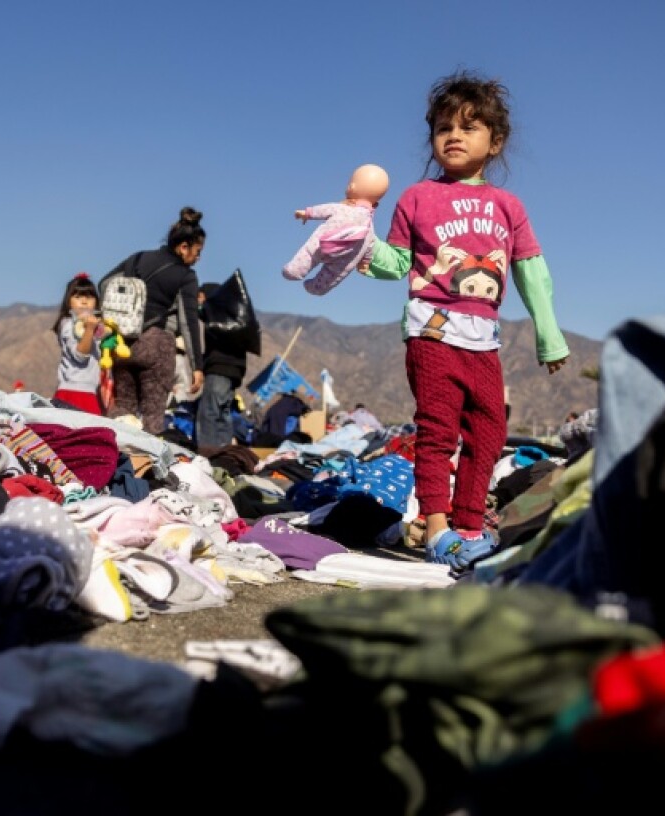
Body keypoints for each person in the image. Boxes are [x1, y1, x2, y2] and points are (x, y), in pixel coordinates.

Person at [360, 69, 569, 571]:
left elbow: (530, 271)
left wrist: (549, 334)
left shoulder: (507, 206)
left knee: (490, 430)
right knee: (438, 429)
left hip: (484, 338)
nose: (454, 135)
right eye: (443, 127)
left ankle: (469, 525)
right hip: (430, 330)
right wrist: (360, 248)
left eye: (469, 126)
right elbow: (397, 263)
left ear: (494, 142)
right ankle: (436, 529)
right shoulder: (416, 198)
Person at [103, 207, 205, 434]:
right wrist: (197, 365)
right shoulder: (186, 276)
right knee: (152, 415)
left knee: (122, 409)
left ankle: (117, 460)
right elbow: (188, 322)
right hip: (157, 344)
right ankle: (148, 466)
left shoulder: (138, 258)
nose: (198, 258)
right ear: (183, 247)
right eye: (197, 252)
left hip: (123, 344)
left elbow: (105, 284)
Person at [282, 164, 390, 296]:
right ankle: (316, 287)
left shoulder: (341, 209)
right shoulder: (369, 226)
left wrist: (307, 213)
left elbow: (323, 210)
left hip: (323, 243)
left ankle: (295, 270)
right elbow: (370, 244)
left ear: (352, 186)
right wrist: (365, 262)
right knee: (333, 274)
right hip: (345, 258)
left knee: (310, 253)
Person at [196, 271, 260, 450]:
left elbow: (200, 312)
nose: (198, 301)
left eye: (200, 297)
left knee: (209, 412)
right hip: (234, 372)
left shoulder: (215, 314)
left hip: (219, 369)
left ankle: (208, 453)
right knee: (223, 413)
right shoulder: (231, 318)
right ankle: (224, 453)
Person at [50, 272, 107, 414]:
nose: (84, 301)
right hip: (73, 393)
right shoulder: (68, 324)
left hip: (92, 392)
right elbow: (80, 355)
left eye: (89, 296)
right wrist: (89, 329)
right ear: (68, 301)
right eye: (78, 297)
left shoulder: (96, 325)